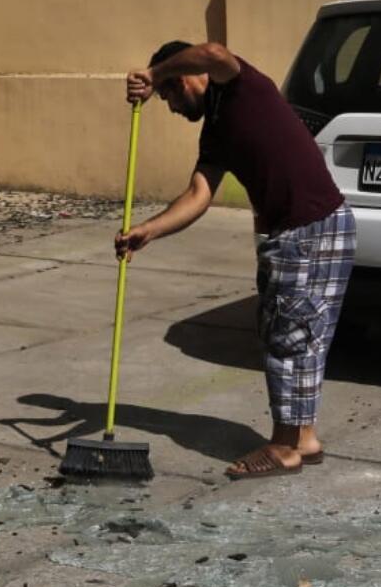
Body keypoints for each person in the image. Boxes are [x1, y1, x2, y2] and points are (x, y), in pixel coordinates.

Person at [118, 40, 355, 480]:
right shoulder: (217, 129)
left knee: (290, 337)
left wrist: (151, 75)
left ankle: (284, 447)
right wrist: (147, 230)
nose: (168, 106)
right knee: (295, 334)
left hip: (308, 227)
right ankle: (304, 438)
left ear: (182, 78)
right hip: (308, 228)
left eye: (169, 95)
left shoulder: (239, 86)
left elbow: (210, 52)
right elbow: (198, 195)